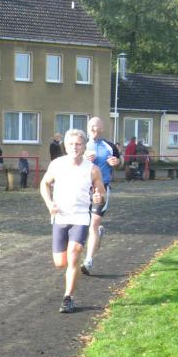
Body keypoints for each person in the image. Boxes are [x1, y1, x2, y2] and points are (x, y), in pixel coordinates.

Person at [39, 129, 106, 313]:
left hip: (80, 217)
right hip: (60, 216)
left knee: (74, 254)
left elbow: (101, 192)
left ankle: (68, 298)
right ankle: (97, 236)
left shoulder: (92, 169)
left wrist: (98, 197)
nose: (74, 147)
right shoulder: (57, 164)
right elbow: (44, 184)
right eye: (71, 144)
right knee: (60, 263)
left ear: (84, 146)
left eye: (78, 144)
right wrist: (49, 203)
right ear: (65, 146)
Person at [81, 116, 120, 275]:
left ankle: (88, 261)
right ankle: (98, 233)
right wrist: (83, 159)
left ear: (101, 128)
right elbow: (72, 163)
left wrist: (117, 163)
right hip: (83, 189)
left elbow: (120, 162)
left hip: (101, 188)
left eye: (95, 126)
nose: (92, 129)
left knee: (93, 223)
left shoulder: (110, 146)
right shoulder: (81, 145)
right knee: (85, 225)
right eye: (90, 126)